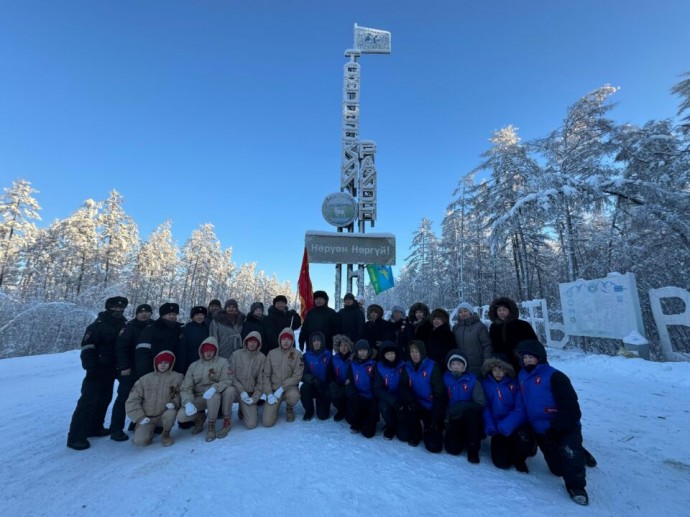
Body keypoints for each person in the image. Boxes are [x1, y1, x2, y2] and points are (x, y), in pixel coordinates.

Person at [498, 340, 590, 506]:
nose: (527, 361)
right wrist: (507, 425)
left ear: (539, 357)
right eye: (524, 358)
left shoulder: (555, 376)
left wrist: (556, 427)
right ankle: (578, 452)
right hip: (540, 430)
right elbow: (521, 406)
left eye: (530, 357)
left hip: (562, 426)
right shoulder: (522, 377)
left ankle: (577, 488)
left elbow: (571, 408)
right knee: (557, 469)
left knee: (570, 453)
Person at [67, 296, 129, 451]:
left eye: (121, 308)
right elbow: (87, 346)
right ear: (108, 308)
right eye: (115, 308)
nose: (118, 310)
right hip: (97, 368)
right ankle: (76, 436)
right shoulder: (97, 325)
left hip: (113, 368)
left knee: (104, 398)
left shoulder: (123, 324)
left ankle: (95, 427)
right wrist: (90, 367)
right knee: (88, 401)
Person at [480, 355, 534, 473]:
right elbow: (485, 406)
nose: (498, 373)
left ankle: (519, 459)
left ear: (507, 370)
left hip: (515, 423)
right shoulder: (485, 384)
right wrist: (489, 424)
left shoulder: (514, 384)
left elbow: (520, 408)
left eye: (501, 370)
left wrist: (508, 424)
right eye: (495, 370)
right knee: (502, 463)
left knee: (523, 442)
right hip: (497, 425)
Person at [177, 336, 236, 442]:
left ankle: (213, 424)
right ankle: (200, 417)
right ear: (201, 351)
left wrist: (214, 388)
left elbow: (227, 380)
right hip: (200, 397)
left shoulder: (223, 362)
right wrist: (188, 402)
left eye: (211, 350)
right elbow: (186, 387)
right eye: (206, 350)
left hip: (217, 395)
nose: (208, 353)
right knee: (182, 416)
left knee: (229, 390)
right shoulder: (193, 366)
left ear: (215, 351)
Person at [110, 303, 153, 442]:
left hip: (146, 370)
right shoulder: (129, 327)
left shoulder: (153, 326)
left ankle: (136, 423)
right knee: (124, 398)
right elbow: (120, 349)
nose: (144, 314)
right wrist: (124, 367)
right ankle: (116, 429)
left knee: (144, 399)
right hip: (130, 370)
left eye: (147, 312)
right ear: (136, 314)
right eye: (141, 312)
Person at [125, 351, 184, 447]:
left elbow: (180, 394)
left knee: (171, 412)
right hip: (147, 418)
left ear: (170, 363)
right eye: (160, 363)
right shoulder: (144, 379)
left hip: (164, 415)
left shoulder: (177, 377)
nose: (163, 365)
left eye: (166, 363)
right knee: (140, 442)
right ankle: (144, 430)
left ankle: (166, 434)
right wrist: (140, 417)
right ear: (156, 364)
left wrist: (174, 403)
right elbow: (132, 400)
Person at [399, 340, 445, 453]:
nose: (414, 354)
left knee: (434, 446)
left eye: (417, 352)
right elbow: (403, 386)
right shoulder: (407, 366)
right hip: (414, 403)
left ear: (423, 352)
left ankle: (430, 429)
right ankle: (416, 431)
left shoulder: (432, 366)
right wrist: (410, 400)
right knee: (403, 435)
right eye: (412, 352)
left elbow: (439, 392)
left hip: (430, 405)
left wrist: (436, 413)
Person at [443, 350, 485, 463]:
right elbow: (442, 398)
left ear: (464, 366)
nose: (456, 367)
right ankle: (460, 438)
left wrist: (462, 406)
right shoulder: (445, 379)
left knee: (473, 417)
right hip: (454, 417)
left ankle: (473, 449)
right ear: (450, 366)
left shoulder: (472, 380)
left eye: (459, 364)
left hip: (469, 417)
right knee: (452, 449)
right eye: (453, 364)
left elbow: (480, 403)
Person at [262, 327, 304, 427]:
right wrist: (269, 393)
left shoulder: (297, 354)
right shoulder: (272, 353)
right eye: (284, 339)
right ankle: (273, 409)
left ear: (292, 341)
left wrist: (282, 388)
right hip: (273, 391)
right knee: (267, 422)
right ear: (280, 340)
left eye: (289, 339)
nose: (286, 342)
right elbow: (266, 375)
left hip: (289, 389)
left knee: (294, 395)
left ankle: (289, 407)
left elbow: (297, 376)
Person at [488, 297, 538, 372]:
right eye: (499, 310)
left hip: (521, 363)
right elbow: (492, 345)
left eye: (504, 310)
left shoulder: (523, 325)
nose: (501, 312)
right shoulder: (493, 327)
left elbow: (534, 345)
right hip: (501, 365)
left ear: (510, 310)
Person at [229, 331, 266, 430]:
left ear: (258, 344)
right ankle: (226, 418)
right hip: (236, 392)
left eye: (255, 342)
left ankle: (244, 408)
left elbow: (261, 381)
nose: (252, 344)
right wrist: (241, 391)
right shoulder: (236, 355)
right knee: (228, 392)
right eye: (250, 341)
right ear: (246, 341)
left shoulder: (262, 358)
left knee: (251, 424)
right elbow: (230, 376)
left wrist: (254, 398)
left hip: (250, 394)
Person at [136, 303, 184, 376]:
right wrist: (145, 372)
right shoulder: (151, 329)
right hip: (153, 371)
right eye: (169, 314)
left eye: (174, 314)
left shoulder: (180, 329)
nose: (172, 316)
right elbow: (142, 352)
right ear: (162, 315)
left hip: (174, 371)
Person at [373, 340, 406, 440]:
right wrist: (393, 400)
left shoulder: (403, 365)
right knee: (383, 405)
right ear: (384, 355)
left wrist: (402, 399)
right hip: (388, 397)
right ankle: (390, 426)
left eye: (392, 353)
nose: (390, 356)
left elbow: (407, 384)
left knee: (403, 436)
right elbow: (378, 388)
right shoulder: (379, 367)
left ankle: (401, 423)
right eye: (387, 354)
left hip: (402, 397)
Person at [346, 340, 378, 438]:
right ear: (357, 352)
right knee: (352, 408)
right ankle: (356, 421)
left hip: (370, 399)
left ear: (368, 351)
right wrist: (353, 394)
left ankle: (367, 419)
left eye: (365, 350)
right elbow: (349, 383)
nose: (362, 352)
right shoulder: (352, 365)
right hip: (357, 398)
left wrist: (373, 401)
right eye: (360, 350)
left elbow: (377, 385)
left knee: (368, 433)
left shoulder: (374, 364)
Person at [452, 302, 493, 376]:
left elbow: (487, 345)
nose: (463, 313)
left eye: (465, 311)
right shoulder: (456, 328)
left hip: (477, 365)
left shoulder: (480, 327)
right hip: (461, 365)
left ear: (470, 312)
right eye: (460, 312)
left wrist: (486, 362)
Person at [300, 331, 333, 421]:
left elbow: (332, 373)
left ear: (322, 342)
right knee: (304, 388)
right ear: (311, 342)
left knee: (322, 416)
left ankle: (322, 403)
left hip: (324, 388)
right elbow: (302, 375)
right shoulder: (306, 356)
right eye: (314, 341)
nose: (316, 343)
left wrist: (326, 384)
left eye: (319, 341)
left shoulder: (329, 355)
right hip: (312, 385)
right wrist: (312, 379)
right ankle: (309, 410)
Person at [178, 306, 210, 374]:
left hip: (204, 361)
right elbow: (182, 349)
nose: (199, 317)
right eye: (197, 315)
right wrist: (182, 366)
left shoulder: (206, 328)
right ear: (192, 316)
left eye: (202, 315)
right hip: (190, 362)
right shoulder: (186, 328)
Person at [329, 334, 353, 422]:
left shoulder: (353, 358)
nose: (344, 348)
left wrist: (351, 381)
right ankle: (341, 410)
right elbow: (330, 373)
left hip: (350, 386)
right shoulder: (334, 359)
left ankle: (348, 410)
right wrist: (334, 383)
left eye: (346, 345)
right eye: (341, 345)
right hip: (339, 385)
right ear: (338, 347)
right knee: (334, 393)